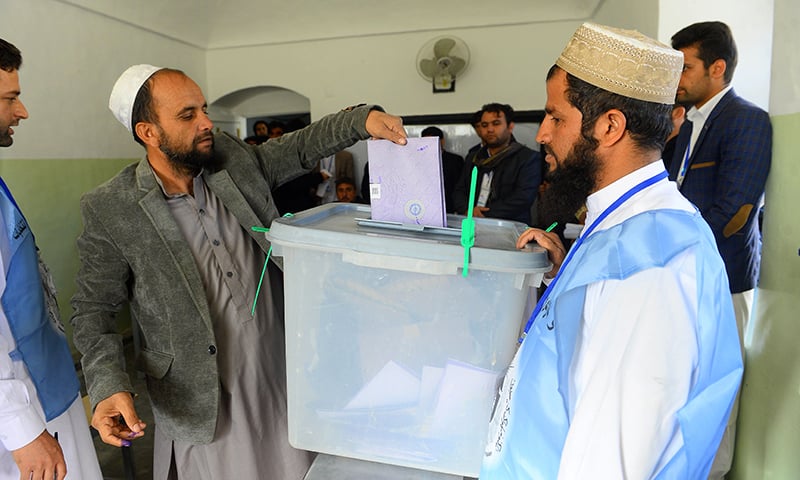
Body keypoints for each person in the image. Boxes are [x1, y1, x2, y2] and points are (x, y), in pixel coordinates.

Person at [70, 64, 406, 480]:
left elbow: (302, 146)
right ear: (148, 132)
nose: (207, 123)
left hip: (282, 370)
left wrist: (361, 120)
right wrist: (108, 384)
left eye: (204, 109)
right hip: (204, 397)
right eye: (187, 115)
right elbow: (92, 310)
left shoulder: (233, 162)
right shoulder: (113, 207)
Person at [480, 23, 743, 479]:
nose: (542, 134)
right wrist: (566, 275)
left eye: (557, 118)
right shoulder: (623, 224)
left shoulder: (651, 269)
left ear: (609, 125)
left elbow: (612, 462)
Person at [668, 21, 772, 479]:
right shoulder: (687, 125)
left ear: (717, 67)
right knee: (680, 382)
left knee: (716, 386)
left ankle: (713, 474)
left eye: (686, 68)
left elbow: (736, 211)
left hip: (723, 279)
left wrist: (674, 248)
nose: (678, 79)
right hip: (680, 275)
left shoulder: (746, 119)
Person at [0, 38, 102, 480]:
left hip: (46, 392)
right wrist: (20, 429)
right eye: (10, 98)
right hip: (22, 416)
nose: (22, 112)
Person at [452, 103, 542, 224]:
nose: (489, 129)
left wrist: (483, 214)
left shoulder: (528, 158)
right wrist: (467, 210)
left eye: (496, 123)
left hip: (510, 228)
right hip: (472, 224)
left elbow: (523, 198)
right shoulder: (473, 157)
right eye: (484, 125)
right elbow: (459, 190)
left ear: (510, 127)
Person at [421, 126, 464, 213]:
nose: (430, 145)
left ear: (442, 141)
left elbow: (460, 186)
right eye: (426, 142)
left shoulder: (455, 160)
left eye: (433, 141)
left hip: (450, 207)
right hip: (425, 208)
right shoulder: (418, 161)